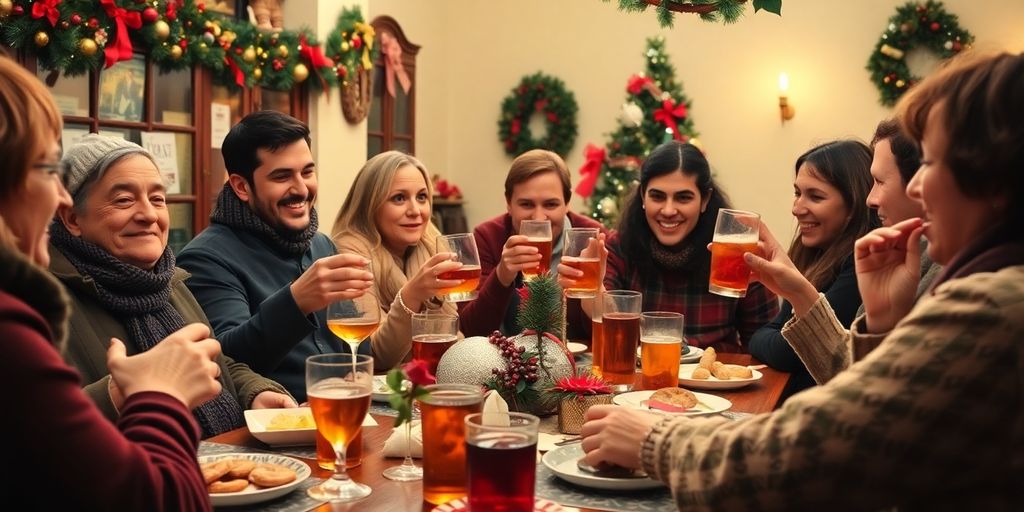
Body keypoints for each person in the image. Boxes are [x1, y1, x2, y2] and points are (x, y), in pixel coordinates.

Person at [579, 50, 1024, 510]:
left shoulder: (993, 305)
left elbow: (818, 454)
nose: (913, 188)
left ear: (992, 179)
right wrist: (880, 328)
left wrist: (656, 439)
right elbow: (880, 420)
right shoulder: (989, 282)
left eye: (930, 164)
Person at [0, 53, 218, 510]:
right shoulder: (21, 317)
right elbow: (150, 499)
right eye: (44, 169)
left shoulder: (170, 278)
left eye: (157, 198)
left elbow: (221, 363)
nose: (58, 191)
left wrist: (258, 388)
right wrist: (148, 393)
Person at [49, 134, 295, 438]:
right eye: (124, 200)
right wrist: (119, 393)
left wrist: (254, 393)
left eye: (157, 199)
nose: (149, 215)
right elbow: (25, 435)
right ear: (72, 218)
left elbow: (214, 363)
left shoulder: (169, 280)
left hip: (218, 468)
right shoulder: (40, 301)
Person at [177, 111, 373, 401]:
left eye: (307, 172)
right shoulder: (204, 258)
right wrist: (296, 301)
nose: (302, 188)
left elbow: (355, 341)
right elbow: (224, 360)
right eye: (282, 176)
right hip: (269, 431)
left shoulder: (322, 245)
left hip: (341, 412)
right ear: (242, 187)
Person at [755, 120, 942, 385]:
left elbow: (882, 397)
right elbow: (862, 378)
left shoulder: (875, 258)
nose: (871, 199)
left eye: (879, 181)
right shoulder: (907, 257)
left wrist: (799, 293)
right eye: (797, 193)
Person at [562, 140, 778, 351]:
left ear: (705, 200)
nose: (668, 210)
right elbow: (607, 327)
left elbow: (763, 342)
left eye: (683, 198)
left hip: (716, 381)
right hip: (642, 380)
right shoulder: (619, 246)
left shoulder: (733, 251)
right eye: (657, 196)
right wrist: (594, 287)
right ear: (642, 196)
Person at [748, 140, 877, 396]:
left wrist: (767, 339)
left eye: (815, 196)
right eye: (797, 193)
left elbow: (788, 352)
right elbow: (768, 334)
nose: (796, 209)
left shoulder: (863, 259)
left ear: (854, 204)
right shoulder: (816, 255)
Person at [458, 149, 609, 338]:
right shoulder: (488, 236)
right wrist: (502, 275)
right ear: (508, 203)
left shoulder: (592, 238)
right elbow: (471, 331)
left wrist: (593, 290)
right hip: (506, 361)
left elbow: (608, 334)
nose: (539, 218)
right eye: (527, 204)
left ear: (567, 203)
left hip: (576, 361)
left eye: (551, 204)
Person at [331, 151, 463, 357]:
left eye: (421, 197)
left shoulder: (430, 245)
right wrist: (412, 295)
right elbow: (376, 354)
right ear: (370, 206)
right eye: (399, 198)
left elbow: (451, 337)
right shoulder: (350, 256)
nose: (415, 211)